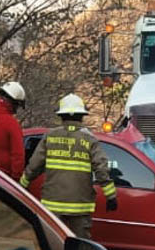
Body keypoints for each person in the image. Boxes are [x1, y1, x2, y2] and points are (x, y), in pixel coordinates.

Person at [19, 94, 117, 239]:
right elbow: (101, 169)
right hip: (80, 205)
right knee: (81, 245)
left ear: (61, 116)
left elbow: (34, 166)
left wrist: (22, 186)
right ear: (82, 116)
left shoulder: (50, 137)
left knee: (53, 244)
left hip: (53, 204)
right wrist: (111, 196)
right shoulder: (90, 139)